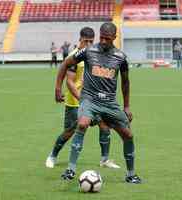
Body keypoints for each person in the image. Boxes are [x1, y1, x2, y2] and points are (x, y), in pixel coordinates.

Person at [55, 22, 142, 184]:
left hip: (110, 103)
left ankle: (131, 174)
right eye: (101, 37)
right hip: (90, 99)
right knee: (82, 124)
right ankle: (71, 169)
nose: (102, 41)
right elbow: (66, 64)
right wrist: (57, 88)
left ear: (114, 38)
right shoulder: (88, 51)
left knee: (128, 135)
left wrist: (127, 106)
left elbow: (125, 83)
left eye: (107, 39)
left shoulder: (121, 58)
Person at [46, 27, 120, 169]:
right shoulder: (75, 56)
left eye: (91, 41)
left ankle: (104, 160)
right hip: (75, 102)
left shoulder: (95, 55)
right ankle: (53, 155)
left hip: (95, 101)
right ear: (79, 39)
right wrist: (83, 100)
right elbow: (70, 82)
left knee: (104, 126)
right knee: (69, 132)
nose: (88, 44)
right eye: (85, 41)